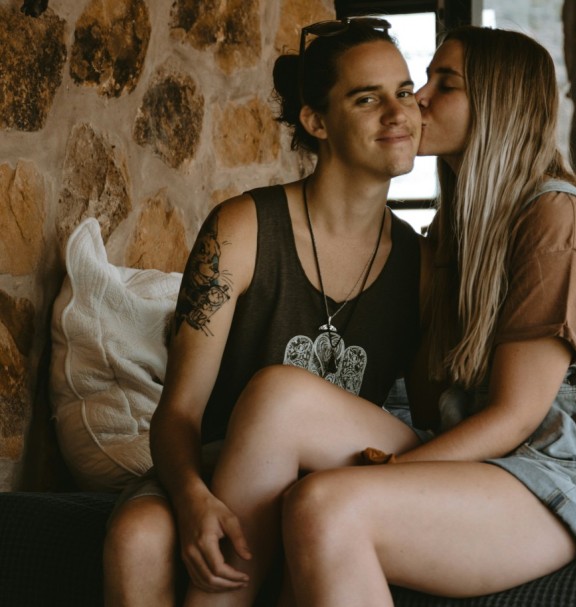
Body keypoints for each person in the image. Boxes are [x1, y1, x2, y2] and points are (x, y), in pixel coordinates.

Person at [185, 25, 576, 607]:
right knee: (277, 394)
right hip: (478, 457)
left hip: (554, 475)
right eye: (422, 81)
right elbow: (433, 405)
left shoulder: (557, 220)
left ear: (496, 102)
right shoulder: (457, 234)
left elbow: (512, 418)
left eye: (442, 84)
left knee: (325, 503)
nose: (418, 100)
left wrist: (376, 475)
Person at [102, 18, 425, 606]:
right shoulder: (241, 230)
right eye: (367, 97)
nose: (397, 113)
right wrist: (196, 499)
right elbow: (179, 412)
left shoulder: (421, 264)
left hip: (335, 480)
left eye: (404, 92)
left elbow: (432, 416)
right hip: (223, 467)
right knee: (136, 536)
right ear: (316, 122)